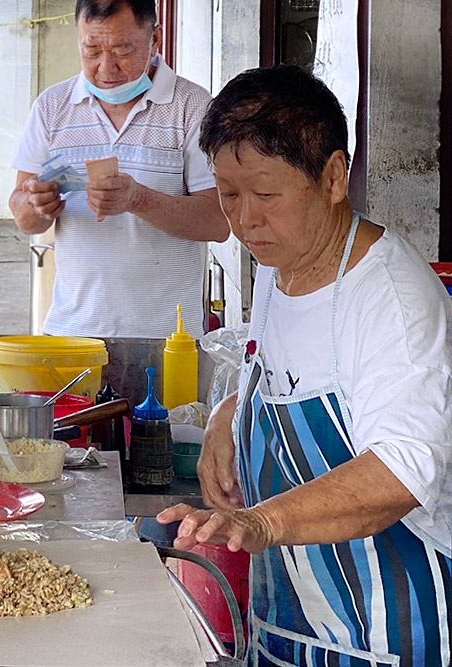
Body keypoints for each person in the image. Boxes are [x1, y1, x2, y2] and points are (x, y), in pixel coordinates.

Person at [157, 65, 452, 666]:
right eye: (227, 194)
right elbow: (284, 372)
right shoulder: (277, 267)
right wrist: (227, 413)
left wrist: (262, 524)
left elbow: (401, 471)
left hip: (388, 638)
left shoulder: (389, 299)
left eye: (266, 195)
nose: (243, 220)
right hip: (289, 628)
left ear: (334, 178)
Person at [9, 0, 228, 339]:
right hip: (72, 335)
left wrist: (138, 199)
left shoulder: (193, 107)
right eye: (91, 49)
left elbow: (218, 222)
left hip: (169, 340)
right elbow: (24, 217)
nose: (105, 68)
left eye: (122, 50)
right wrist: (37, 205)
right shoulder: (52, 107)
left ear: (155, 39)